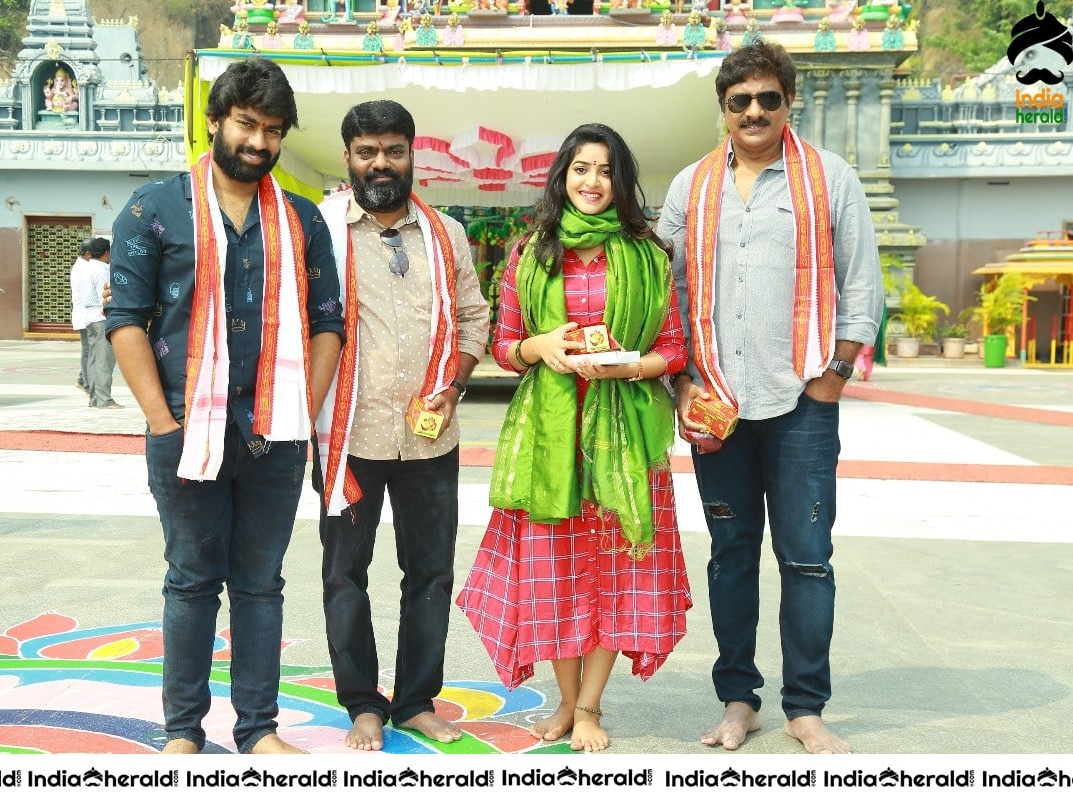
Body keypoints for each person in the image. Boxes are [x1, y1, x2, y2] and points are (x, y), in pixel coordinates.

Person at [105, 58, 343, 755]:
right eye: (247, 124)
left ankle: (258, 730)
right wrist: (162, 420)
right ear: (214, 122)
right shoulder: (155, 209)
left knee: (261, 586)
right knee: (190, 582)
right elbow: (126, 319)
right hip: (184, 429)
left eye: (272, 131)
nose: (259, 143)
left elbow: (327, 322)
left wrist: (301, 409)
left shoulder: (301, 221)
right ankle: (182, 731)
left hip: (275, 435)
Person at [656, 41, 883, 754]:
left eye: (767, 99)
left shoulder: (830, 178)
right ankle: (738, 700)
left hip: (802, 403)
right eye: (739, 101)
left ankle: (805, 706)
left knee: (807, 557)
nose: (754, 112)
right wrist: (680, 380)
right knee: (730, 554)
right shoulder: (690, 187)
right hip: (715, 401)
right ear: (723, 109)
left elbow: (861, 283)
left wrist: (833, 376)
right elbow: (664, 291)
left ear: (789, 101)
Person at [457, 123, 692, 753]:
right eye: (581, 168)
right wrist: (540, 346)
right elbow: (505, 346)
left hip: (625, 437)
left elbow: (673, 348)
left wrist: (632, 364)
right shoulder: (530, 255)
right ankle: (566, 701)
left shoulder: (648, 256)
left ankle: (588, 706)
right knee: (556, 569)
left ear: (622, 183)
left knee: (616, 568)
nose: (593, 182)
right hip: (551, 436)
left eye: (607, 170)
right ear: (562, 176)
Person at [314, 100, 489, 751]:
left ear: (414, 154)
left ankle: (416, 700)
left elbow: (474, 318)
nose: (380, 164)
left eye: (392, 150)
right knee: (344, 573)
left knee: (431, 573)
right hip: (346, 441)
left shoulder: (446, 235)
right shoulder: (321, 230)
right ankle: (362, 703)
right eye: (367, 152)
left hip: (428, 439)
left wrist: (456, 382)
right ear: (349, 159)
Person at [73, 238, 121, 409]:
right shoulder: (102, 270)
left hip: (89, 316)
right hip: (100, 317)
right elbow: (105, 296)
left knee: (93, 359)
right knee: (103, 360)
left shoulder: (84, 268)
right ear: (106, 253)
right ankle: (104, 399)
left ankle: (95, 398)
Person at [70, 237, 93, 394]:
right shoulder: (82, 268)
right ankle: (86, 384)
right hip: (85, 314)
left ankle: (81, 378)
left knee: (90, 350)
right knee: (87, 351)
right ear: (87, 253)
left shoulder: (85, 265)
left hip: (86, 313)